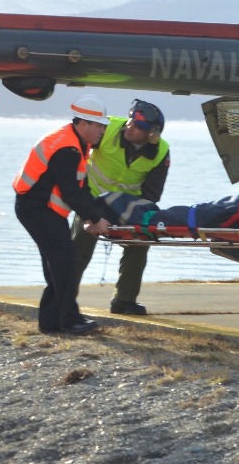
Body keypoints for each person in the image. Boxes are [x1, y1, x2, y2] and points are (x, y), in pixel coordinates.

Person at [13, 95, 113, 335]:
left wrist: (94, 213)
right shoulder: (67, 148)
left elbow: (82, 188)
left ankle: (51, 322)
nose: (103, 130)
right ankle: (69, 321)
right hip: (38, 211)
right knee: (65, 261)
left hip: (39, 211)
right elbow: (70, 192)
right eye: (99, 125)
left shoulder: (73, 142)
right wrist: (95, 219)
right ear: (84, 124)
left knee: (57, 266)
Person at [72, 99, 171, 315]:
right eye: (130, 120)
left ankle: (124, 301)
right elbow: (75, 155)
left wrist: (137, 221)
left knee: (140, 243)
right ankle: (64, 298)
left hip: (125, 209)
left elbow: (151, 194)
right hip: (91, 201)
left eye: (139, 127)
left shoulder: (161, 151)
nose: (130, 127)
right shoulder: (107, 129)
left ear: (152, 134)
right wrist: (85, 206)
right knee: (78, 249)